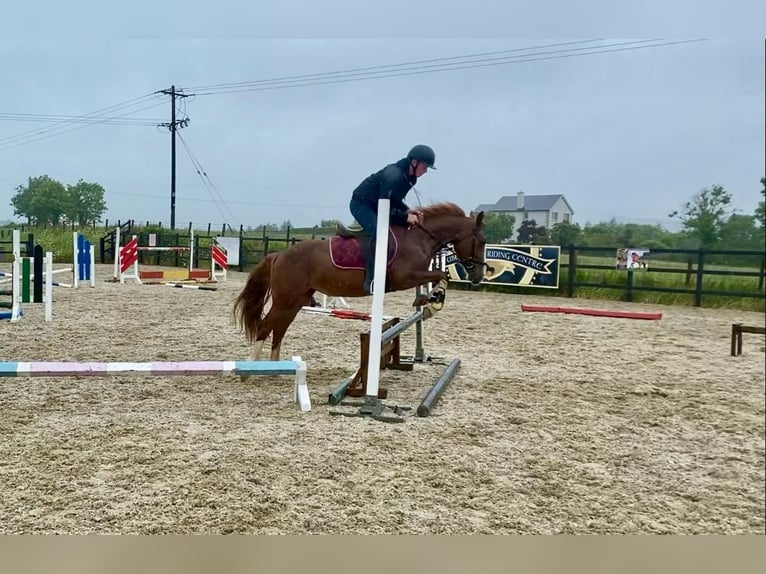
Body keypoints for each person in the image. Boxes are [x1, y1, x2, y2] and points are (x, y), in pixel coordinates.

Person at [349, 144, 436, 294]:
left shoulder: (410, 178)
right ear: (414, 163)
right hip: (362, 204)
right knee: (381, 235)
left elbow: (394, 201)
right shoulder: (394, 175)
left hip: (378, 205)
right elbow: (383, 208)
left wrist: (407, 210)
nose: (426, 171)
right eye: (425, 166)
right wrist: (405, 216)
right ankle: (372, 280)